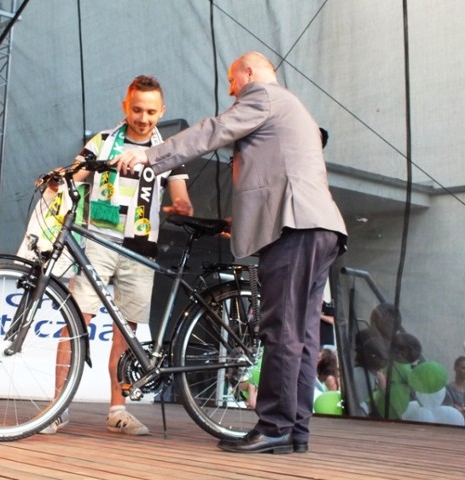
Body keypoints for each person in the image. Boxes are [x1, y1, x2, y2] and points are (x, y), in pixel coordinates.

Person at [112, 51, 347, 453]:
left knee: (282, 332)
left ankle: (273, 425)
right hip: (320, 228)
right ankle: (295, 431)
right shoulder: (293, 109)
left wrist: (150, 155)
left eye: (232, 80)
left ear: (250, 73)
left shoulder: (263, 97)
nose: (230, 89)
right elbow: (277, 170)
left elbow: (213, 130)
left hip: (296, 227)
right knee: (303, 336)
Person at [39, 75, 193, 435]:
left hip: (141, 248)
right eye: (137, 109)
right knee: (77, 322)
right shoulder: (103, 142)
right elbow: (75, 175)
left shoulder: (166, 149)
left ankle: (118, 409)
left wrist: (180, 204)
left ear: (162, 111)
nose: (143, 118)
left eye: (151, 111)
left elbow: (181, 195)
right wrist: (58, 179)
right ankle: (57, 406)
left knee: (126, 331)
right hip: (98, 241)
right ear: (125, 106)